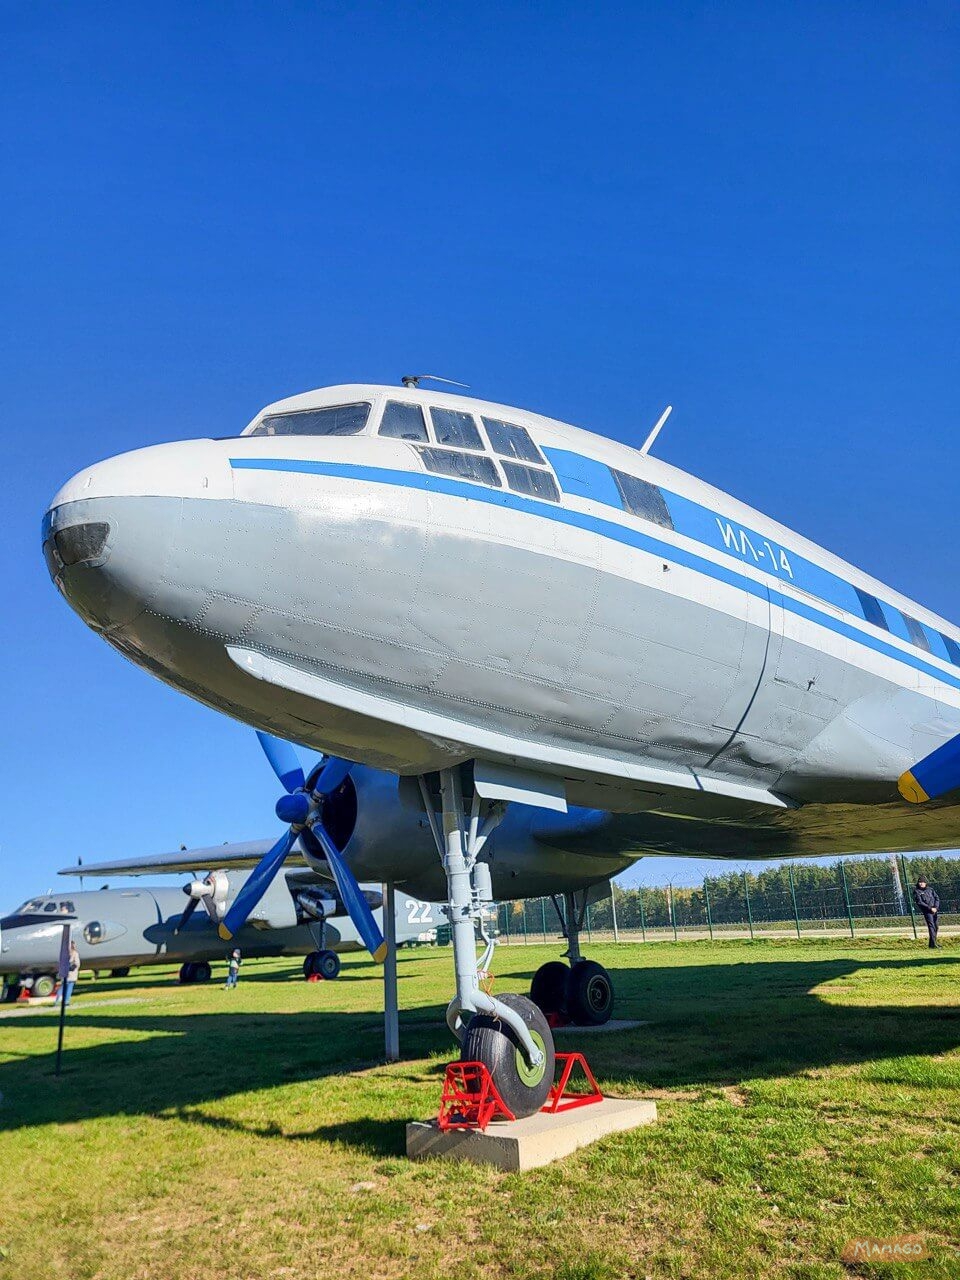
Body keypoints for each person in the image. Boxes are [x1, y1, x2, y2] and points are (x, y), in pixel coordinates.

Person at [913, 877, 941, 949]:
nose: (921, 883)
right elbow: (920, 902)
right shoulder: (917, 891)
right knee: (931, 926)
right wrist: (930, 908)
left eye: (922, 882)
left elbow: (937, 898)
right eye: (920, 882)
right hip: (927, 911)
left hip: (934, 910)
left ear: (925, 883)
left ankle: (932, 944)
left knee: (936, 927)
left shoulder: (930, 890)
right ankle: (933, 944)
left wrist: (936, 907)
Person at [60, 940, 81, 1005]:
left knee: (63, 987)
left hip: (65, 972)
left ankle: (58, 1000)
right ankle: (66, 1001)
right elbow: (77, 963)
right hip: (72, 972)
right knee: (70, 987)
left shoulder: (64, 953)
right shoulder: (75, 953)